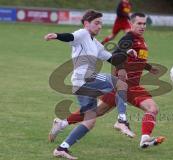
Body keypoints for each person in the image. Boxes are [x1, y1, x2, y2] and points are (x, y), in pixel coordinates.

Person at [49, 12, 166, 150]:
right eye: (139, 23)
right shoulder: (128, 38)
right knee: (97, 113)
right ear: (131, 24)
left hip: (132, 86)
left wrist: (149, 67)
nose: (142, 26)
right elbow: (117, 53)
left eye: (144, 23)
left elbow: (129, 59)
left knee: (96, 113)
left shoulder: (141, 41)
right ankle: (124, 123)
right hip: (121, 86)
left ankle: (62, 124)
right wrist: (56, 35)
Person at [44, 9, 135, 159]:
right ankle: (121, 121)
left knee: (90, 120)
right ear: (87, 23)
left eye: (101, 23)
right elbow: (71, 36)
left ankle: (62, 147)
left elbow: (112, 59)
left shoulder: (95, 43)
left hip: (84, 82)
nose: (100, 26)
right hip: (85, 79)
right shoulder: (83, 33)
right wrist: (56, 36)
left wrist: (126, 53)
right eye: (96, 23)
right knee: (121, 84)